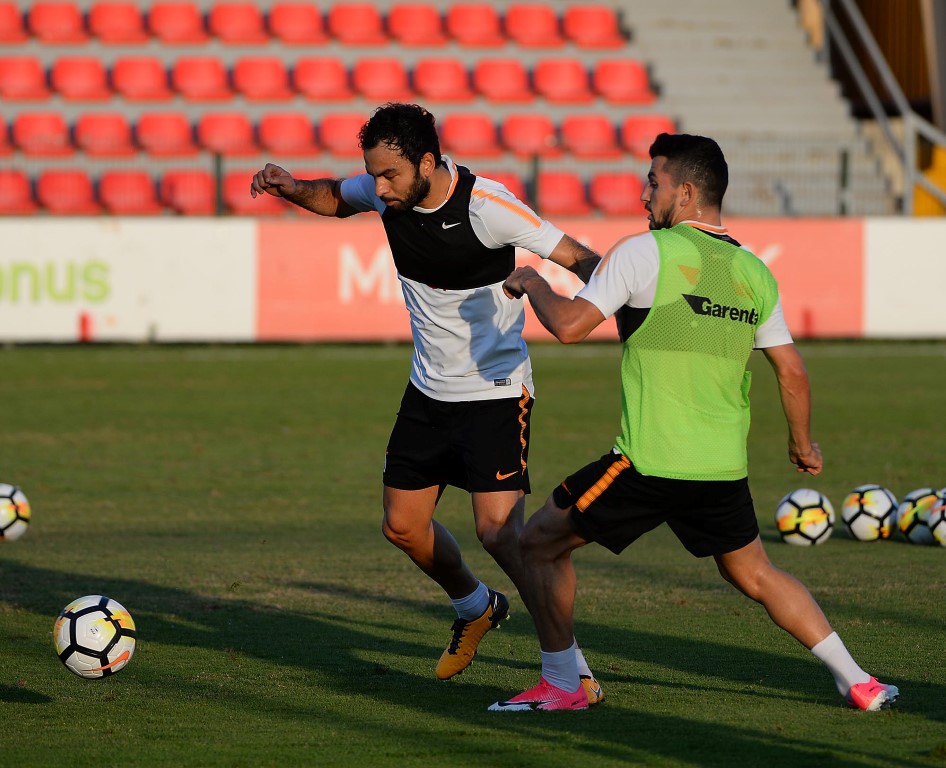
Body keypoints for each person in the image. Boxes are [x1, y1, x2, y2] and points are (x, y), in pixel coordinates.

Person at [488, 133, 900, 712]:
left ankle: (562, 684)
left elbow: (570, 327)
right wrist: (802, 444)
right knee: (755, 574)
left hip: (648, 462)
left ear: (685, 192)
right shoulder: (754, 272)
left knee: (537, 544)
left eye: (653, 182)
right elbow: (792, 371)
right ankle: (858, 679)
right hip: (720, 468)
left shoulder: (643, 252)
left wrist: (533, 281)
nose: (643, 194)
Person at [250, 103, 604, 698]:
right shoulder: (385, 190)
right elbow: (335, 196)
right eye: (374, 175)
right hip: (428, 390)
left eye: (390, 175)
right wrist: (292, 188)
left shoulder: (489, 206)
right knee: (402, 526)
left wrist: (627, 308)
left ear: (427, 162)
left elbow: (580, 257)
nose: (380, 188)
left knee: (501, 535)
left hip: (494, 392)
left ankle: (571, 671)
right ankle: (476, 606)